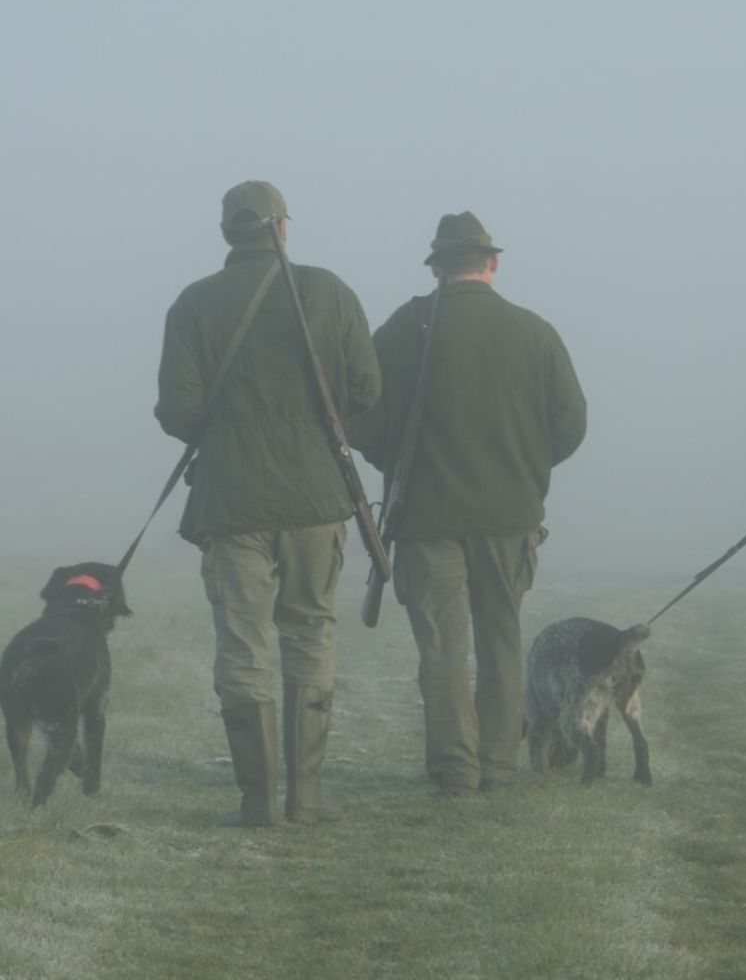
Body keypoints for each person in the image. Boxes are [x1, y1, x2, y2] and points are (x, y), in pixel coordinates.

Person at [155, 181, 380, 825]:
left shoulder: (193, 304)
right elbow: (365, 389)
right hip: (315, 497)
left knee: (243, 645)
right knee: (310, 633)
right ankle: (306, 798)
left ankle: (258, 802)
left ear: (228, 233)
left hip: (231, 501)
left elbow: (179, 411)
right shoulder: (329, 291)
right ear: (283, 228)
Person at [349, 212, 587, 796]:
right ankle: (499, 767)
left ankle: (455, 770)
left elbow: (360, 415)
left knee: (442, 650)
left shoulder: (405, 328)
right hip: (511, 521)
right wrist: (526, 471)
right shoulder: (534, 332)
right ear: (493, 263)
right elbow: (572, 425)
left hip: (427, 520)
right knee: (502, 643)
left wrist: (401, 468)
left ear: (436, 268)